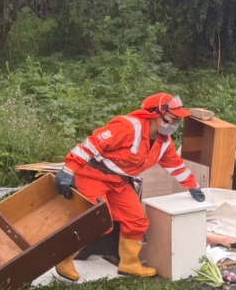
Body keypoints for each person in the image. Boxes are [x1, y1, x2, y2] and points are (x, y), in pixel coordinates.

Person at [53, 93, 205, 280]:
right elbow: (91, 144)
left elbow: (175, 165)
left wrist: (193, 185)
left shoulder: (163, 142)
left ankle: (130, 264)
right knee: (96, 220)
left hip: (120, 181)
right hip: (92, 176)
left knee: (137, 220)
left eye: (177, 121)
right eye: (172, 119)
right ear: (154, 114)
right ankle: (63, 259)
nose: (175, 124)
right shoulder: (127, 127)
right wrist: (68, 170)